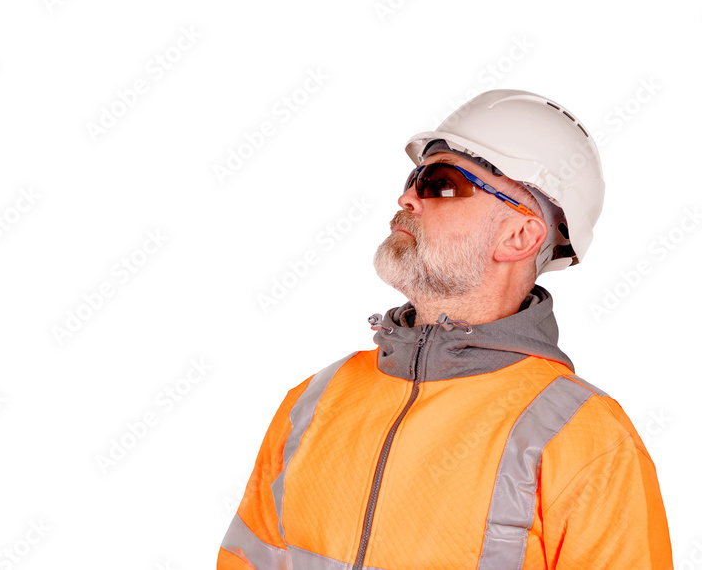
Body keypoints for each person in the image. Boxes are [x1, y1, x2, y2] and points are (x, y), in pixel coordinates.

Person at [217, 89, 673, 569]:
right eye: (415, 178)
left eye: (441, 184)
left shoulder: (588, 438)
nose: (407, 198)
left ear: (519, 235)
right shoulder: (314, 400)